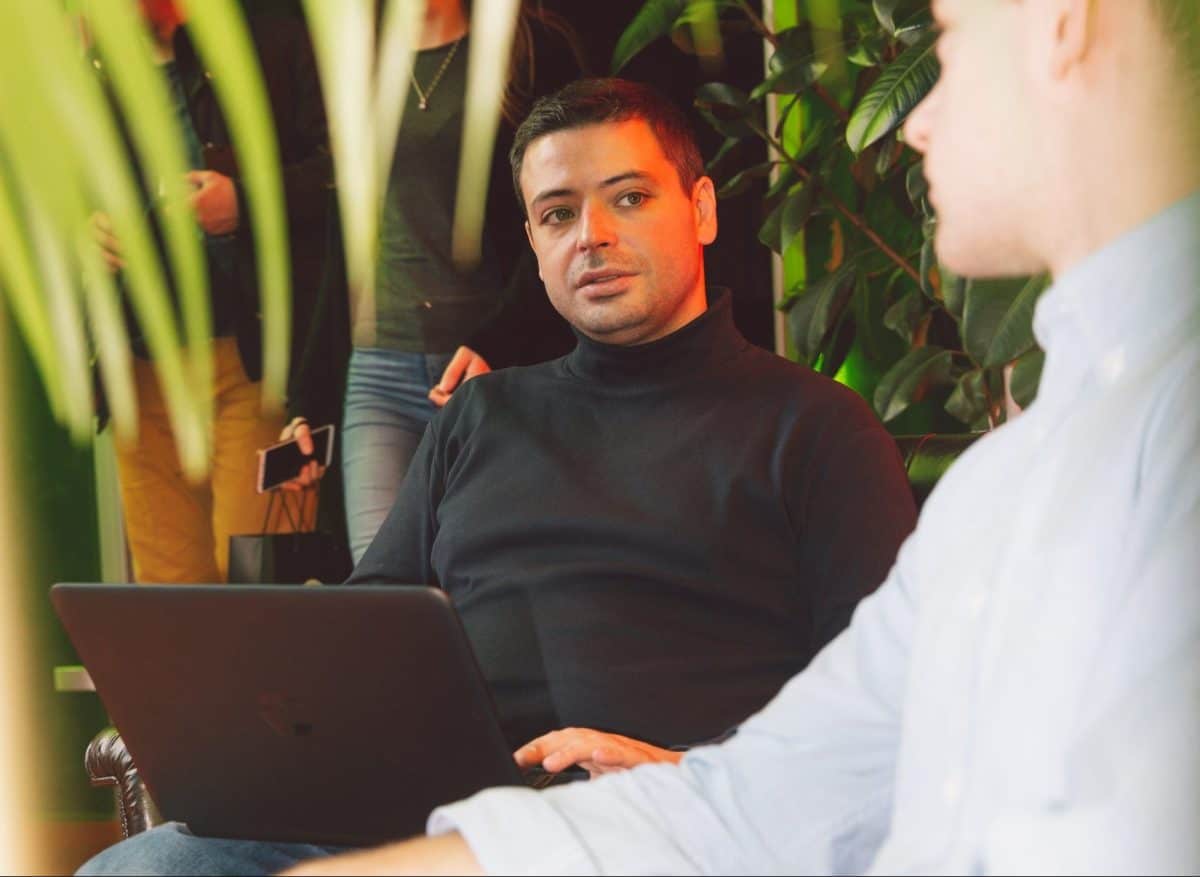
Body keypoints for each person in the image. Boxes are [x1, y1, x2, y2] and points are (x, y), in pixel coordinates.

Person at [264, 0, 1196, 872]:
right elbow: (766, 796)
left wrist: (667, 770)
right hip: (499, 817)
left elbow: (778, 797)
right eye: (557, 214)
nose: (914, 120)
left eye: (947, 42)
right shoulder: (1015, 482)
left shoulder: (827, 432)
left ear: (1063, 25)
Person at [75, 77, 920, 875]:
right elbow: (367, 627)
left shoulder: (815, 428)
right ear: (535, 245)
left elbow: (887, 713)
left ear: (700, 209)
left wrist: (686, 773)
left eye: (630, 198)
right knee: (148, 866)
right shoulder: (481, 417)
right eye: (558, 213)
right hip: (433, 820)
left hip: (658, 827)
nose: (591, 234)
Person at [283, 0, 584, 564]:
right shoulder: (354, 62)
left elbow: (563, 221)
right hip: (377, 368)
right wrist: (308, 399)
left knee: (491, 585)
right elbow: (339, 246)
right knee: (381, 594)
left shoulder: (530, 52)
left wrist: (500, 341)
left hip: (492, 372)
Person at [93, 0, 336, 583]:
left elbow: (342, 178)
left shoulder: (273, 40)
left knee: (260, 586)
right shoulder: (97, 66)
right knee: (168, 600)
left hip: (252, 361)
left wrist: (244, 201)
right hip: (141, 370)